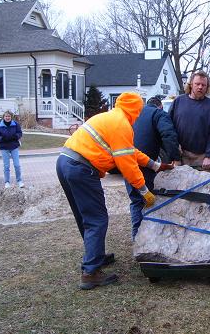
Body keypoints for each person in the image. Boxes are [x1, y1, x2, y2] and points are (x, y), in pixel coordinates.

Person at [56, 92, 169, 290]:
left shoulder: (110, 117)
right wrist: (144, 191)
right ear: (136, 110)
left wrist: (155, 165)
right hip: (81, 168)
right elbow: (127, 164)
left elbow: (130, 152)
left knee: (85, 216)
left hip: (65, 161)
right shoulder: (122, 124)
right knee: (97, 219)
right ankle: (91, 273)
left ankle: (95, 257)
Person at [125, 96, 180, 239]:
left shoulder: (134, 114)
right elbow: (168, 134)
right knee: (149, 199)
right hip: (145, 164)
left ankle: (137, 235)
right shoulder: (158, 114)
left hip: (126, 161)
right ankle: (149, 237)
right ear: (160, 106)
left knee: (136, 200)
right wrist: (175, 157)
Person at [169, 70, 210, 170]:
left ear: (207, 87)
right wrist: (174, 149)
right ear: (191, 84)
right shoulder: (178, 102)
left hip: (202, 158)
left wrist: (209, 156)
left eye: (203, 85)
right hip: (180, 156)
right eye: (197, 84)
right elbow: (169, 128)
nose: (200, 87)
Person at [0, 110, 24, 188]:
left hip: (14, 147)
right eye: (6, 116)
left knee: (17, 165)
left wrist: (15, 136)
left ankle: (19, 181)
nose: (7, 118)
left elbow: (20, 133)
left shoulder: (15, 124)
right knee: (6, 166)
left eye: (9, 116)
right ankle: (7, 182)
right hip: (4, 147)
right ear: (3, 117)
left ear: (11, 117)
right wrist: (1, 139)